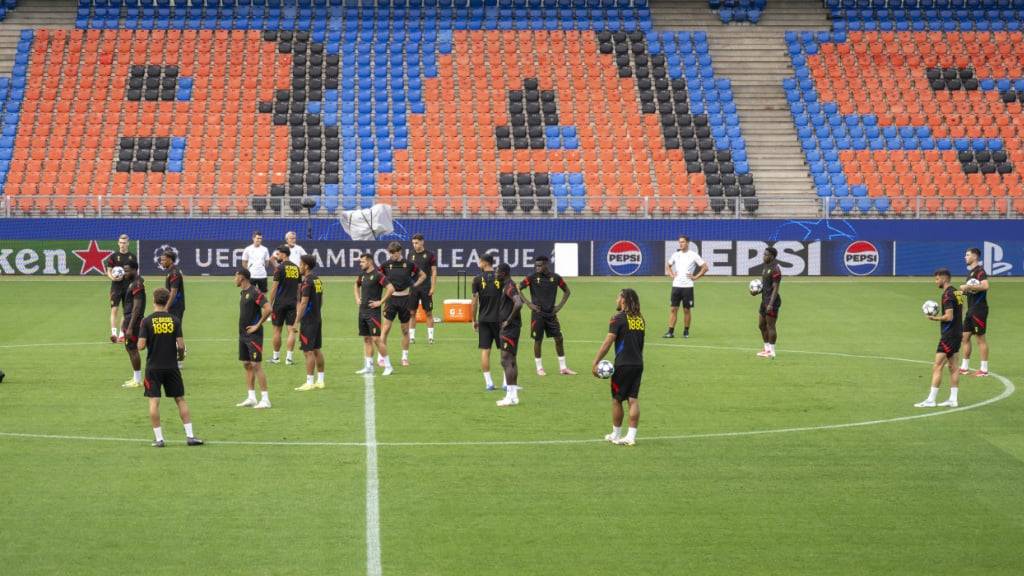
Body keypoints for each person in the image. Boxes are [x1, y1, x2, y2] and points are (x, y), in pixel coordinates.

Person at [137, 287, 202, 448]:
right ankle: (190, 436)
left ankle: (159, 439)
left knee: (154, 401)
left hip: (153, 367)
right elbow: (181, 346)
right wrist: (180, 357)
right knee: (180, 399)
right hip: (172, 366)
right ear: (167, 301)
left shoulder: (147, 321)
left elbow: (141, 346)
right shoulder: (174, 320)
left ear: (154, 300)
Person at [592, 288, 646, 446]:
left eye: (618, 297)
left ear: (623, 300)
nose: (616, 300)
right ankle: (630, 437)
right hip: (638, 363)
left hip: (623, 364)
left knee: (617, 400)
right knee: (633, 399)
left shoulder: (618, 318)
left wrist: (595, 362)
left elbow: (608, 342)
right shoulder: (640, 319)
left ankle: (616, 434)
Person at [519, 255, 576, 376]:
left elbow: (567, 291)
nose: (537, 268)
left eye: (540, 266)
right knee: (538, 340)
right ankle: (539, 368)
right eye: (536, 266)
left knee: (559, 338)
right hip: (538, 315)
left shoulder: (555, 277)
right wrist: (529, 304)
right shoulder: (532, 277)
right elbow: (518, 289)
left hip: (551, 314)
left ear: (546, 265)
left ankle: (563, 368)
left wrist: (559, 306)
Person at [916, 269, 963, 408]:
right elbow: (961, 311)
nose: (935, 282)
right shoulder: (957, 292)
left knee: (937, 366)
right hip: (957, 333)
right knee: (954, 367)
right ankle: (953, 400)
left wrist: (934, 318)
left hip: (949, 336)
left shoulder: (947, 295)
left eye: (937, 279)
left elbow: (949, 317)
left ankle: (931, 400)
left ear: (944, 279)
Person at [379, 241, 427, 367]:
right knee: (385, 329)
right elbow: (378, 278)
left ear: (400, 252)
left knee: (405, 331)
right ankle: (381, 357)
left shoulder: (409, 264)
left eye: (395, 253)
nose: (392, 255)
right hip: (391, 300)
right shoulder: (385, 265)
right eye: (390, 253)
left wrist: (414, 285)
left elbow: (423, 275)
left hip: (405, 299)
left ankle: (404, 358)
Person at [234, 268, 272, 409]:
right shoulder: (243, 292)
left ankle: (265, 400)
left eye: (236, 276)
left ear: (242, 277)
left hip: (253, 335)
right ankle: (251, 398)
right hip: (243, 334)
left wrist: (257, 325)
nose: (234, 279)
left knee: (256, 365)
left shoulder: (255, 292)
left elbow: (268, 308)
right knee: (247, 364)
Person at [355, 253, 395, 376]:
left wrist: (380, 302)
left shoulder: (378, 275)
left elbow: (391, 288)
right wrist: (357, 298)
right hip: (362, 311)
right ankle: (369, 367)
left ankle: (388, 366)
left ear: (370, 262)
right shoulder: (362, 275)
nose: (360, 264)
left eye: (363, 262)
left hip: (373, 312)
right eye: (360, 262)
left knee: (376, 339)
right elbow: (356, 285)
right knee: (366, 339)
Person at [663, 235, 707, 339]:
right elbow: (668, 265)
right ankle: (670, 332)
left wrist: (695, 277)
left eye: (682, 242)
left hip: (687, 287)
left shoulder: (693, 255)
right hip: (676, 286)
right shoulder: (676, 254)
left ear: (687, 243)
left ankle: (686, 331)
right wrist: (671, 275)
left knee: (686, 310)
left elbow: (705, 267)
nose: (680, 244)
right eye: (679, 242)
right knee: (673, 309)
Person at [293, 255, 325, 391]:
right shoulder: (317, 280)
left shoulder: (307, 282)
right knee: (317, 349)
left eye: (300, 264)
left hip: (308, 321)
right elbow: (321, 300)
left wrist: (296, 321)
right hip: (317, 318)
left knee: (308, 351)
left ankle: (309, 382)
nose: (299, 266)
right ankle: (321, 381)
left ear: (306, 266)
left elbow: (304, 302)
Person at [495, 263, 526, 407]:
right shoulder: (508, 285)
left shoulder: (509, 286)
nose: (496, 274)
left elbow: (518, 303)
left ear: (503, 273)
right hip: (512, 328)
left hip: (509, 329)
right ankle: (513, 396)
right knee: (511, 360)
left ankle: (509, 396)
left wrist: (508, 320)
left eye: (497, 272)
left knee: (506, 360)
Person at [472, 254, 503, 390]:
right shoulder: (501, 277)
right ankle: (506, 382)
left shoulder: (477, 279)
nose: (478, 263)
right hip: (500, 320)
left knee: (485, 351)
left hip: (484, 319)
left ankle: (489, 383)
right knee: (505, 351)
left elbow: (474, 301)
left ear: (485, 263)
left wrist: (473, 319)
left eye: (480, 261)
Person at [959, 247, 991, 377]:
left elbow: (985, 286)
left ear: (975, 256)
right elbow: (969, 292)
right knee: (965, 337)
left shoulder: (980, 271)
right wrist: (959, 294)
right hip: (971, 310)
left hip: (979, 310)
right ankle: (964, 367)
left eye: (967, 255)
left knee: (980, 339)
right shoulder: (971, 273)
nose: (965, 257)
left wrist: (968, 286)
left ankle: (984, 370)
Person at [269, 245, 301, 366]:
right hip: (292, 303)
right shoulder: (296, 268)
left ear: (283, 254)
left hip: (279, 303)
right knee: (291, 331)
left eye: (278, 254)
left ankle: (276, 357)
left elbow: (274, 288)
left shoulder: (280, 268)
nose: (277, 256)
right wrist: (297, 303)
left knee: (277, 330)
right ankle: (289, 359)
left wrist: (270, 304)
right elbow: (299, 289)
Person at [105, 234, 137, 343]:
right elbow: (109, 271)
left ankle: (121, 334)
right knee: (114, 309)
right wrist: (113, 277)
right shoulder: (113, 257)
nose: (122, 245)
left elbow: (135, 272)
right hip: (116, 287)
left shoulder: (132, 257)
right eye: (121, 243)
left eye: (124, 243)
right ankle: (114, 334)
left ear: (128, 243)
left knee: (126, 311)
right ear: (118, 243)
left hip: (128, 287)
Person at [407, 233, 438, 344]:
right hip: (414, 288)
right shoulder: (410, 255)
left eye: (416, 243)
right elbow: (408, 272)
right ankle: (411, 337)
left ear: (422, 242)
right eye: (413, 243)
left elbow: (434, 272)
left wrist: (433, 287)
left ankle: (430, 337)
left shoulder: (430, 255)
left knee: (428, 312)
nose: (414, 245)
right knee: (412, 312)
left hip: (426, 287)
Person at [121, 262, 146, 389]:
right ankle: (136, 378)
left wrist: (130, 327)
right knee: (129, 348)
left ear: (135, 270)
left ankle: (137, 380)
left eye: (127, 270)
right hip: (129, 319)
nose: (124, 273)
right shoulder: (134, 283)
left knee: (132, 348)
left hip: (133, 321)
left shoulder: (137, 285)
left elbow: (137, 307)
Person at [755, 247, 782, 359]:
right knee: (761, 325)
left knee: (771, 326)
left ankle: (772, 351)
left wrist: (770, 304)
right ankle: (766, 349)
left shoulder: (775, 269)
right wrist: (757, 291)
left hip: (772, 301)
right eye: (764, 254)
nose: (763, 256)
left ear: (771, 256)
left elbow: (776, 288)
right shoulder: (766, 267)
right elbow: (766, 285)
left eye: (766, 254)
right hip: (764, 300)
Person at [161, 251, 185, 366]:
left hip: (176, 307)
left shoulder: (174, 273)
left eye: (164, 260)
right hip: (173, 306)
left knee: (175, 331)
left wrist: (166, 307)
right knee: (171, 331)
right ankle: (176, 357)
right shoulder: (170, 271)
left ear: (170, 260)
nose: (161, 262)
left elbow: (174, 292)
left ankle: (180, 359)